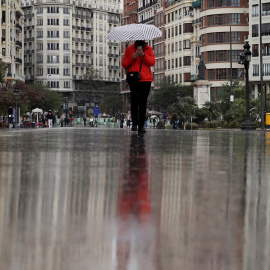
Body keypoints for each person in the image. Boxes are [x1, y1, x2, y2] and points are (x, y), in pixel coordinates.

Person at [122, 40, 155, 133]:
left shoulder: (149, 49)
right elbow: (124, 64)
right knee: (134, 101)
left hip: (146, 79)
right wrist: (133, 57)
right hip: (134, 79)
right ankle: (134, 124)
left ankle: (141, 125)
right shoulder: (130, 49)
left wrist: (143, 55)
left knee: (143, 102)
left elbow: (152, 62)